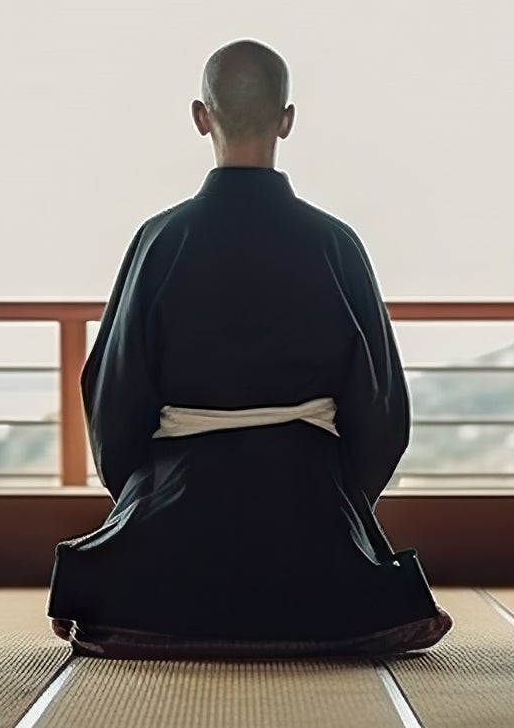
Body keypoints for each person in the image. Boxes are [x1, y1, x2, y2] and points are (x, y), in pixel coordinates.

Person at [47, 39, 451, 659]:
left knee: (115, 589)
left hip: (173, 510)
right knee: (361, 592)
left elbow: (113, 395)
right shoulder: (334, 243)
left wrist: (142, 495)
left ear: (200, 116)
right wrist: (339, 498)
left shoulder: (159, 240)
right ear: (286, 119)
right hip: (312, 509)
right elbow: (382, 411)